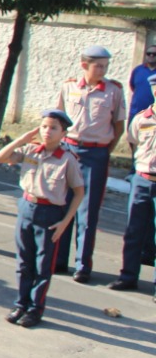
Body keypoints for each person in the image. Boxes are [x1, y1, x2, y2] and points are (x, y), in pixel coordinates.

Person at [0, 109, 85, 328]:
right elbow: (0, 157)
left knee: (43, 266)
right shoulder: (30, 150)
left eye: (53, 128)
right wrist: (23, 138)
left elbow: (79, 191)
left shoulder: (67, 159)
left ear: (63, 133)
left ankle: (35, 310)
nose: (47, 131)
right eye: (44, 126)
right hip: (26, 206)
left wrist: (65, 222)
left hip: (50, 213)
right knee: (24, 262)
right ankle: (21, 304)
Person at [52, 45, 125, 283]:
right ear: (85, 65)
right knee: (62, 206)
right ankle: (58, 260)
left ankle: (83, 265)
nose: (103, 70)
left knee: (87, 211)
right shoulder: (69, 86)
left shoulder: (113, 91)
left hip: (95, 154)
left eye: (105, 66)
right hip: (69, 150)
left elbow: (118, 126)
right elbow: (57, 119)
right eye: (98, 66)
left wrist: (104, 150)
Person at [111, 72, 156, 293]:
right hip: (142, 180)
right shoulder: (141, 119)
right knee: (133, 231)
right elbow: (134, 142)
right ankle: (128, 276)